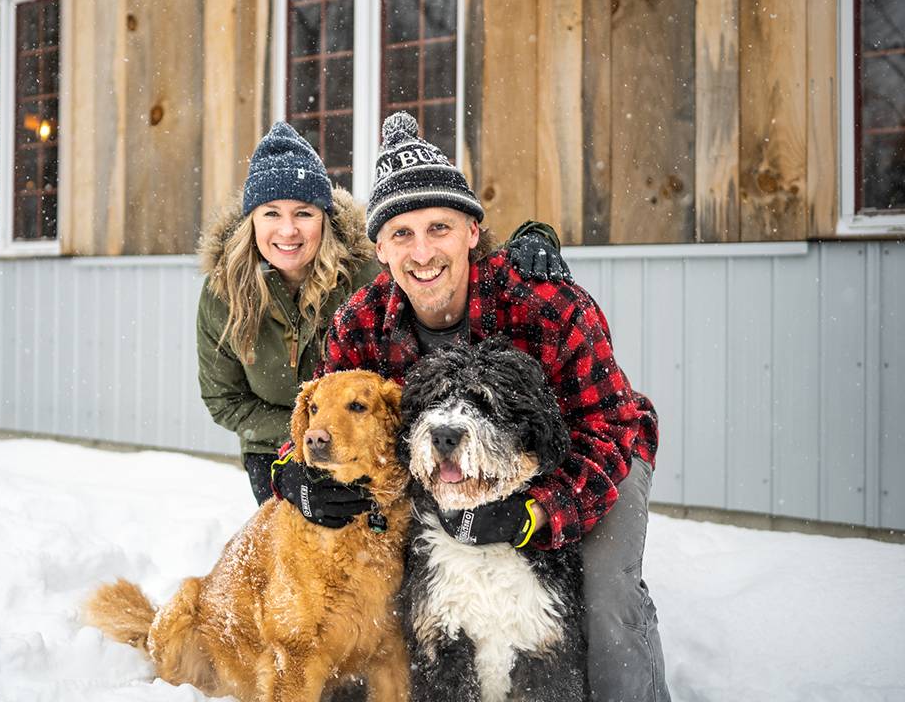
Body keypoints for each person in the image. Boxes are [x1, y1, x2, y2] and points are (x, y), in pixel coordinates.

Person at [271, 112, 671, 702]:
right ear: (379, 249)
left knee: (604, 591)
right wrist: (295, 478)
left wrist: (536, 515)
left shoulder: (545, 302)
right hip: (449, 466)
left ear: (473, 232)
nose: (423, 251)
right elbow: (316, 417)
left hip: (587, 457)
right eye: (401, 234)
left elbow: (609, 429)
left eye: (439, 227)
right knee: (400, 582)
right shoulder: (360, 322)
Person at [197, 121, 570, 505]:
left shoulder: (365, 276)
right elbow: (223, 400)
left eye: (304, 213)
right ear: (251, 222)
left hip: (375, 440)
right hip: (277, 446)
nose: (288, 230)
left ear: (325, 216)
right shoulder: (223, 294)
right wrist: (303, 444)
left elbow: (450, 257)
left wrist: (535, 234)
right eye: (271, 213)